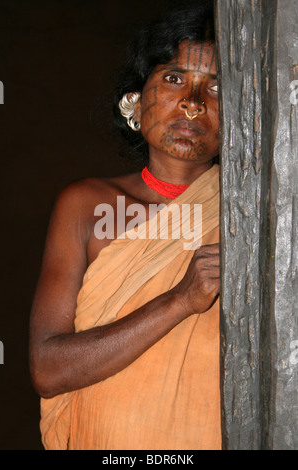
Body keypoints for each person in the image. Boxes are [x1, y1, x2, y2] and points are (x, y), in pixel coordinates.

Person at [29, 2, 221, 450]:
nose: (193, 105)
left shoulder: (255, 219)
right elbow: (48, 369)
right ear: (135, 101)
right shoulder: (86, 206)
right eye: (173, 79)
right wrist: (180, 300)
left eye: (216, 88)